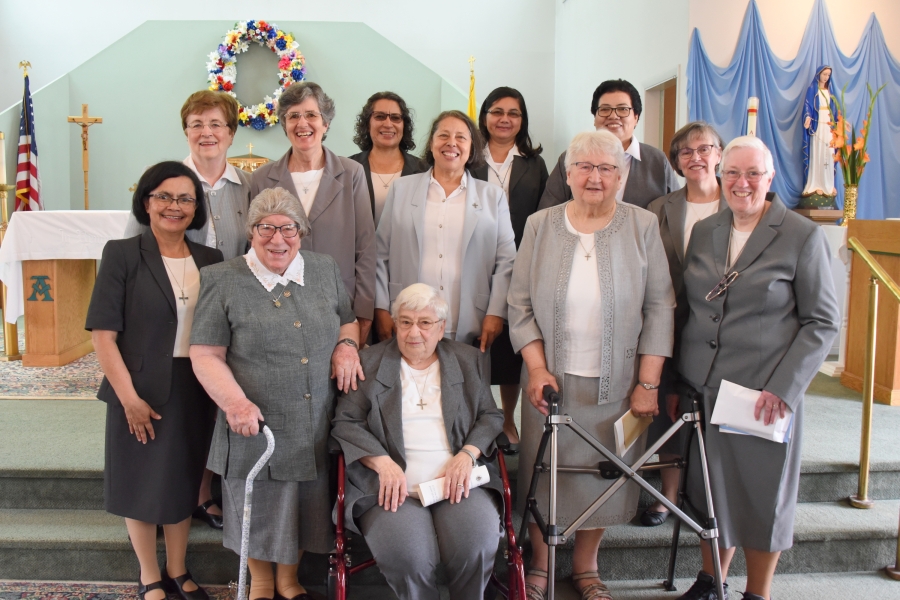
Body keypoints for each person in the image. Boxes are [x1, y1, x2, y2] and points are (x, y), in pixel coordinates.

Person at [508, 130, 675, 600]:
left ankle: (586, 568)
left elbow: (661, 306)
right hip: (549, 382)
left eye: (606, 168)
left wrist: (648, 382)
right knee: (546, 473)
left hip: (619, 382)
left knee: (604, 474)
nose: (594, 177)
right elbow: (519, 306)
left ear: (621, 176)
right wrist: (538, 370)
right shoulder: (541, 225)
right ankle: (541, 565)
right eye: (584, 167)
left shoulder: (642, 225)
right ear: (568, 174)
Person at [676, 136, 839, 600]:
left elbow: (822, 321)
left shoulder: (801, 235)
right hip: (705, 385)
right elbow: (693, 307)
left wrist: (784, 388)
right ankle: (712, 581)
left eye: (753, 174)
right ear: (720, 176)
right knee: (712, 491)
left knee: (763, 494)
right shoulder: (707, 230)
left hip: (763, 391)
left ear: (770, 179)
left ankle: (758, 592)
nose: (742, 183)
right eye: (732, 173)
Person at [189, 187, 363, 600]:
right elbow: (206, 354)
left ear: (301, 232)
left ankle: (289, 579)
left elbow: (348, 321)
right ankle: (261, 582)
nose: (278, 239)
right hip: (254, 419)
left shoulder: (322, 268)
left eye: (288, 228)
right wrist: (234, 402)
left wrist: (347, 346)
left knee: (304, 503)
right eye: (266, 228)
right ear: (251, 231)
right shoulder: (222, 278)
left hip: (314, 418)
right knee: (261, 500)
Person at [87, 161, 223, 600]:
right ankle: (149, 575)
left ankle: (179, 570)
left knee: (183, 479)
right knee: (141, 482)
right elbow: (104, 337)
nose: (174, 206)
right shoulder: (122, 254)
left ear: (196, 208)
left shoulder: (212, 260)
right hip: (139, 388)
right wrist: (128, 398)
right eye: (163, 196)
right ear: (146, 202)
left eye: (185, 198)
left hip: (195, 388)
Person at [123, 90, 253, 529]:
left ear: (231, 133)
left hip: (229, 315)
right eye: (197, 125)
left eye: (216, 124)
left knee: (214, 405)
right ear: (186, 131)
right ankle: (164, 495)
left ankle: (202, 493)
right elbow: (133, 251)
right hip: (170, 316)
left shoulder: (247, 187)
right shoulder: (166, 183)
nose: (206, 133)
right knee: (176, 406)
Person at [331, 283, 504, 600]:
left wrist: (466, 454)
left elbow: (491, 416)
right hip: (392, 487)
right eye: (406, 322)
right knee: (409, 559)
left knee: (474, 548)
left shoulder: (468, 361)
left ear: (441, 328)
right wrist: (382, 463)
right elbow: (346, 422)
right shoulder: (369, 364)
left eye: (425, 323)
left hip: (456, 481)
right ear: (395, 324)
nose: (414, 332)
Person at [374, 110, 516, 355]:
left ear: (472, 147)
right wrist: (381, 308)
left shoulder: (493, 197)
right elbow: (379, 254)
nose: (452, 143)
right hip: (408, 319)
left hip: (472, 322)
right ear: (431, 143)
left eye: (461, 137)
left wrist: (495, 312)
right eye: (444, 135)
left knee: (464, 390)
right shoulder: (401, 189)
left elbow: (507, 261)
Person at [643, 121, 726, 527]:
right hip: (672, 321)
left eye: (705, 149)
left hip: (723, 329)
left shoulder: (741, 205)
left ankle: (712, 494)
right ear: (676, 161)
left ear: (719, 154)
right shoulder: (660, 208)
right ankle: (668, 496)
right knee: (668, 412)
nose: (697, 158)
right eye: (686, 152)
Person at [250, 81, 376, 346]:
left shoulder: (351, 173)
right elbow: (252, 249)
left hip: (340, 307)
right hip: (277, 308)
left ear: (325, 123)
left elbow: (366, 248)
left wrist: (364, 314)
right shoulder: (262, 178)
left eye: (311, 115)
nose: (302, 123)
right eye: (293, 116)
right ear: (284, 125)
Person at [471, 86, 548, 449]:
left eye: (513, 113)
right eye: (497, 111)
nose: (505, 119)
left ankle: (506, 419)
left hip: (522, 263)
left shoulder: (534, 163)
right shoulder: (469, 158)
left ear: (522, 120)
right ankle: (477, 417)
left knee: (512, 344)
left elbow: (544, 214)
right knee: (477, 342)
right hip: (473, 262)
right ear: (485, 115)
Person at [537, 79, 679, 211]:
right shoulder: (572, 157)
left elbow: (673, 213)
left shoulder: (657, 161)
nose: (613, 116)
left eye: (623, 109)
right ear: (595, 118)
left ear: (636, 117)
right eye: (605, 109)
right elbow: (548, 212)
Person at [348, 91, 428, 227]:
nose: (388, 124)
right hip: (358, 248)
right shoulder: (348, 168)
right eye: (380, 116)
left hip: (406, 248)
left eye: (396, 118)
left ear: (404, 125)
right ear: (367, 124)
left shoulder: (424, 170)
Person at [802, 65, 838, 197]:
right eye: (824, 74)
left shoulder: (830, 91)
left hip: (828, 125)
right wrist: (807, 117)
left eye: (828, 75)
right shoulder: (813, 89)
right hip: (817, 125)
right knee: (817, 152)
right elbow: (808, 105)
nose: (826, 77)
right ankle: (816, 183)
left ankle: (828, 184)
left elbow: (835, 109)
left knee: (829, 153)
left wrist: (837, 124)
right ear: (819, 74)